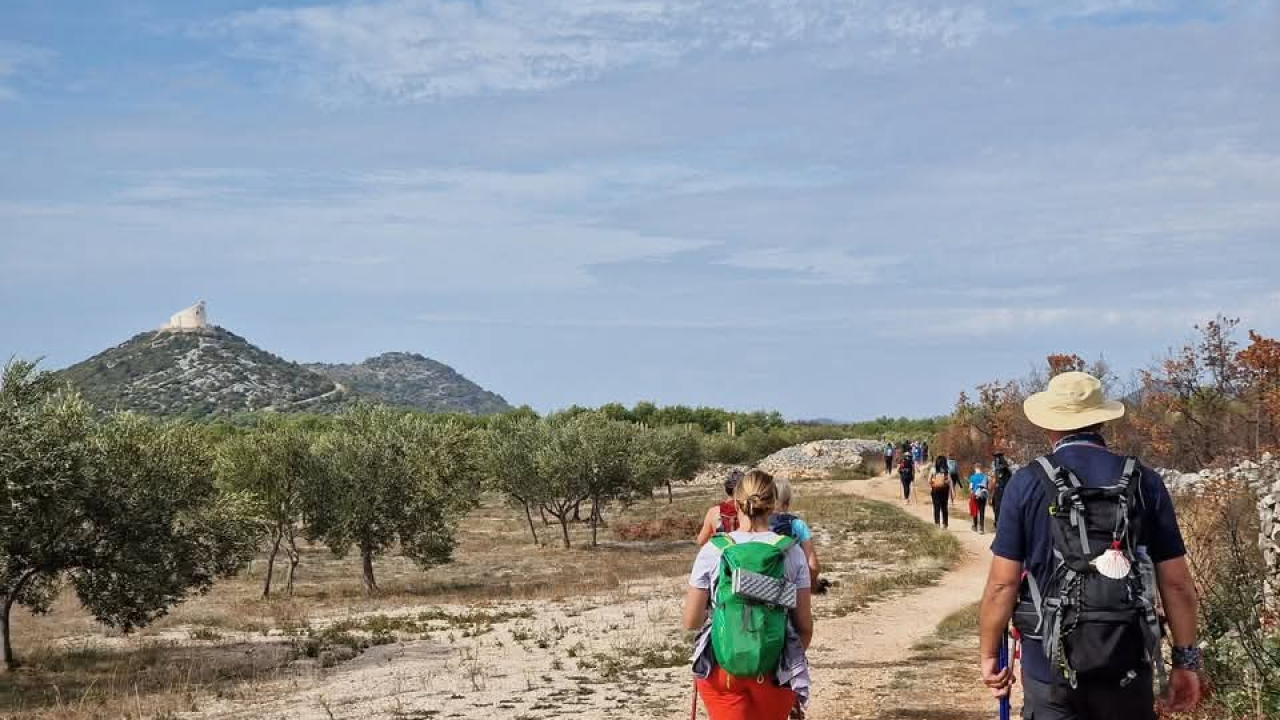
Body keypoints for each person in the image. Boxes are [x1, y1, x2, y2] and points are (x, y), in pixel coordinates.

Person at [978, 371, 1201, 720]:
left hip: (1047, 668)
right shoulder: (1145, 481)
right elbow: (1177, 584)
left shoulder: (1026, 483)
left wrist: (989, 653)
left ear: (1050, 425)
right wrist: (1186, 662)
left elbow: (1002, 584)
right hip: (1127, 664)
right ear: (1101, 421)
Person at [684, 470, 813, 720]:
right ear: (773, 504)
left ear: (735, 503)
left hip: (724, 668)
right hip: (775, 668)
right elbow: (804, 626)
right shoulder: (792, 552)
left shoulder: (714, 550)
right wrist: (781, 659)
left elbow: (691, 621)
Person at [771, 476, 821, 587]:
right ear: (787, 503)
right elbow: (813, 566)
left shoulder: (757, 523)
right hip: (789, 588)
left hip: (760, 588)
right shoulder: (797, 525)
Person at [696, 469, 743, 546]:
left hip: (722, 555)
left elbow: (701, 541)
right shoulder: (748, 510)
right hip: (743, 554)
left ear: (726, 489)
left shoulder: (713, 512)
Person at [990, 452, 1013, 528]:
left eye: (997, 458)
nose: (995, 460)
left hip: (1002, 491)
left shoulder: (1003, 469)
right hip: (999, 491)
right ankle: (997, 522)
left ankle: (999, 523)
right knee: (996, 506)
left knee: (999, 507)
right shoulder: (999, 469)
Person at [929, 455, 952, 528]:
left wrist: (934, 483)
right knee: (944, 507)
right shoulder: (947, 470)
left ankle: (937, 523)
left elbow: (929, 480)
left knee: (936, 507)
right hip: (944, 490)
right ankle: (945, 524)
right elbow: (949, 481)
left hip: (935, 491)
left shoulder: (933, 469)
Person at [969, 464, 990, 533]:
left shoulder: (972, 477)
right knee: (982, 511)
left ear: (975, 468)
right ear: (981, 468)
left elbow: (971, 488)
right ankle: (981, 528)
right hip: (983, 496)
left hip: (975, 495)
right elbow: (987, 487)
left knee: (975, 511)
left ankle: (975, 526)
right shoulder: (985, 476)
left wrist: (972, 494)